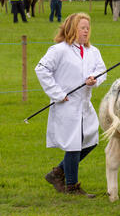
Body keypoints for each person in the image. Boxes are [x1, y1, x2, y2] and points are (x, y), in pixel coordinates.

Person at [35, 13, 107, 197]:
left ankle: (57, 173)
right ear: (72, 28)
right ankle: (72, 186)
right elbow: (41, 69)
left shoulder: (93, 52)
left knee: (91, 141)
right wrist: (58, 93)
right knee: (73, 144)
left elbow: (101, 70)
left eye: (88, 28)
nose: (86, 31)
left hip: (84, 103)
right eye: (82, 27)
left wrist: (94, 79)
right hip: (66, 104)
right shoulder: (59, 50)